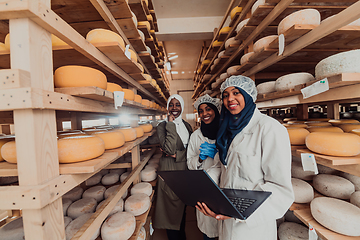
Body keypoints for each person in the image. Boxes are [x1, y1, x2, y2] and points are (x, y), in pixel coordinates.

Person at [196, 75, 294, 240]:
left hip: (253, 228)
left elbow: (280, 189)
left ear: (248, 96)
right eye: (225, 95)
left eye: (236, 93)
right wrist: (206, 187)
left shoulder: (269, 129)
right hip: (225, 221)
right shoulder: (226, 131)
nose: (230, 99)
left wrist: (239, 210)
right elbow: (222, 166)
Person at [153, 94, 193, 240]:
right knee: (171, 211)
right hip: (170, 172)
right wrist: (171, 124)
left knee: (182, 209)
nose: (174, 108)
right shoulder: (162, 126)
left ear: (182, 106)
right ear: (167, 107)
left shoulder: (187, 126)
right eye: (171, 104)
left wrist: (179, 155)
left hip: (184, 171)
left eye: (177, 105)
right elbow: (169, 150)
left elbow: (192, 150)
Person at [187, 94, 221, 240]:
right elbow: (189, 163)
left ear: (216, 110)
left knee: (225, 228)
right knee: (208, 228)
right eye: (201, 111)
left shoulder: (225, 132)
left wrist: (218, 155)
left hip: (224, 185)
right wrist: (200, 158)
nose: (204, 114)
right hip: (204, 188)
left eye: (208, 109)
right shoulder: (196, 136)